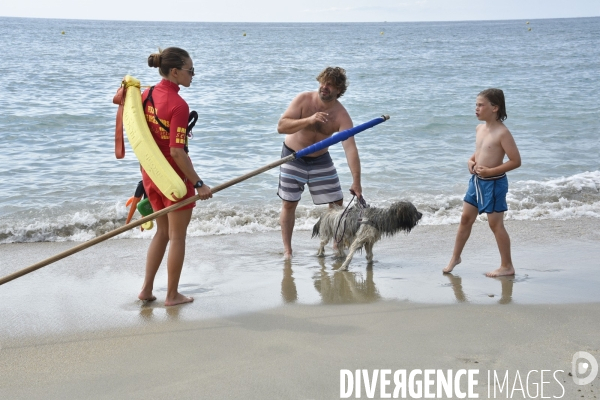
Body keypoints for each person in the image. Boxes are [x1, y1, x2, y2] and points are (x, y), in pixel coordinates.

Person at [137, 47, 212, 306]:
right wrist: (198, 184)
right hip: (174, 179)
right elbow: (177, 152)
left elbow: (119, 101)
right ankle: (171, 295)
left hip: (151, 176)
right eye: (190, 71)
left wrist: (128, 88)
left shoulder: (145, 93)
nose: (193, 75)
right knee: (177, 237)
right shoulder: (179, 105)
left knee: (162, 233)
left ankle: (146, 290)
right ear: (175, 71)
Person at [277, 67, 361, 259]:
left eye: (331, 85)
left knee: (337, 202)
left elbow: (350, 149)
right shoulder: (303, 100)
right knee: (290, 203)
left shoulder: (341, 115)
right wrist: (309, 120)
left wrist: (356, 181)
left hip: (321, 160)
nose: (325, 87)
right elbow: (281, 126)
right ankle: (288, 251)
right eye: (323, 82)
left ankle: (336, 244)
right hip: (293, 155)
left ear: (339, 90)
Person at [443, 88, 521, 277]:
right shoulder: (480, 128)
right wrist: (471, 161)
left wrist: (491, 171)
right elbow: (480, 151)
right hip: (476, 182)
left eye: (480, 105)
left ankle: (507, 266)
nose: (476, 109)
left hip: (494, 184)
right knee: (465, 219)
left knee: (495, 225)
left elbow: (515, 161)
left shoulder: (503, 133)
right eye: (476, 105)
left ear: (495, 108)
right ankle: (455, 257)